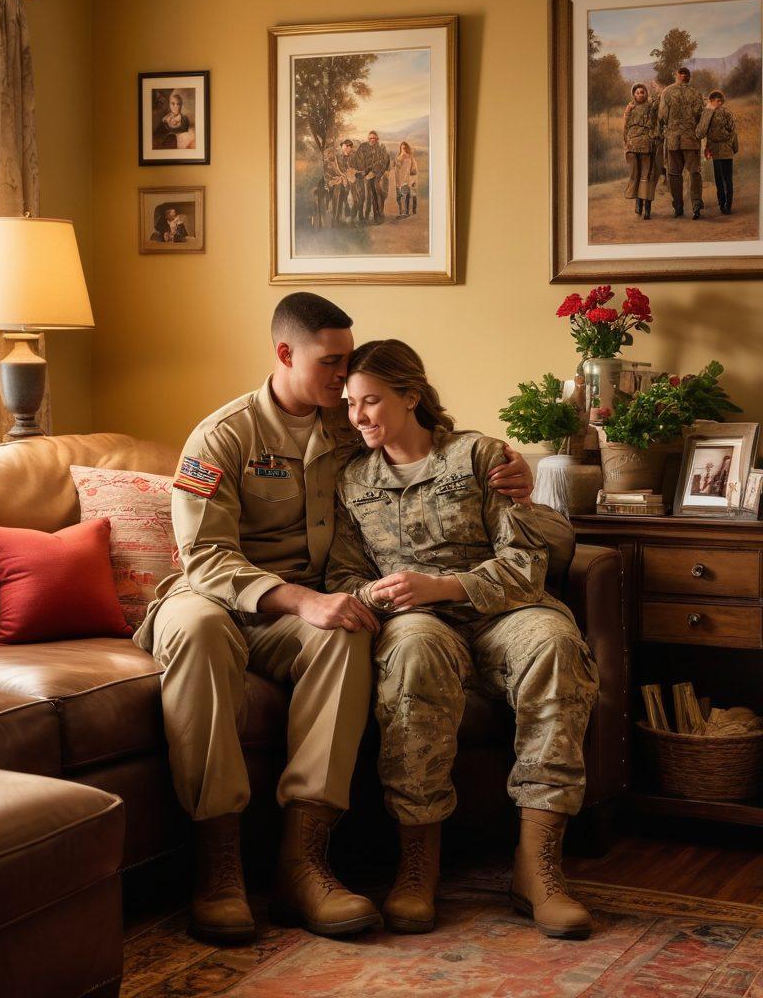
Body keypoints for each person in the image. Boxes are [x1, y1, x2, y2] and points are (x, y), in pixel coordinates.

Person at [133, 294, 536, 945]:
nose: (344, 378)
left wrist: (508, 469)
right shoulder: (222, 436)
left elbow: (431, 441)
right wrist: (302, 600)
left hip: (301, 610)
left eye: (349, 362)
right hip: (210, 597)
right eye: (331, 361)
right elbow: (205, 558)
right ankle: (220, 869)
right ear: (285, 354)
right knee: (203, 629)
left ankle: (303, 862)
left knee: (345, 630)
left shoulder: (349, 422)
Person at [326, 339, 599, 941]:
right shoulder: (351, 481)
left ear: (411, 395)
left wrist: (442, 586)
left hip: (500, 608)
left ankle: (539, 868)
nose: (358, 417)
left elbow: (527, 561)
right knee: (414, 651)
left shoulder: (477, 455)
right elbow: (342, 578)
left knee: (554, 641)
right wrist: (387, 594)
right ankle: (417, 865)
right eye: (350, 404)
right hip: (417, 621)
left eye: (371, 401)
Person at [658, 67, 705, 219]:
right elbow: (700, 115)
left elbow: (663, 116)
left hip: (673, 140)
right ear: (689, 77)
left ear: (677, 75)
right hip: (691, 139)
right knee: (694, 172)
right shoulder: (696, 93)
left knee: (674, 174)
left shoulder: (667, 92)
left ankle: (678, 206)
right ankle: (696, 205)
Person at [697, 90, 739, 214]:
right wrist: (707, 147)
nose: (718, 103)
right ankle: (722, 203)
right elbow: (703, 132)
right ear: (711, 101)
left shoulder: (727, 113)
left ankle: (728, 205)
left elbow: (732, 131)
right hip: (714, 149)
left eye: (720, 100)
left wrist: (729, 145)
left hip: (726, 150)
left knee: (727, 178)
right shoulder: (707, 113)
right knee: (719, 179)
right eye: (715, 100)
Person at [623, 83, 661, 220]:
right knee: (636, 175)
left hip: (647, 145)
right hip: (633, 146)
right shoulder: (630, 108)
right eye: (638, 92)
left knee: (647, 175)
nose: (640, 94)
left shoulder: (651, 106)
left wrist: (656, 88)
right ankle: (638, 204)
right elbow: (625, 128)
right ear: (633, 94)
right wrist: (626, 144)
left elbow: (660, 99)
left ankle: (647, 209)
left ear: (646, 93)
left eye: (643, 92)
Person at [359, 130, 391, 224]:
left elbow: (384, 162)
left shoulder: (381, 148)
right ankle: (369, 216)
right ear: (368, 139)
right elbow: (362, 162)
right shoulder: (364, 148)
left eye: (374, 138)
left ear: (377, 139)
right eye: (370, 138)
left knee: (378, 196)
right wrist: (365, 173)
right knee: (369, 196)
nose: (372, 140)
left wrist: (374, 172)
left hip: (378, 176)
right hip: (367, 176)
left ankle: (379, 216)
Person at [394, 141, 418, 219]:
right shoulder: (398, 157)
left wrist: (412, 179)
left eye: (405, 148)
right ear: (400, 148)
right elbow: (396, 168)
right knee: (399, 197)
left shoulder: (410, 158)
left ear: (407, 148)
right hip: (398, 180)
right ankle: (401, 211)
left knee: (406, 196)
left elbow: (414, 170)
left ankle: (406, 212)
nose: (403, 149)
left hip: (406, 180)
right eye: (402, 148)